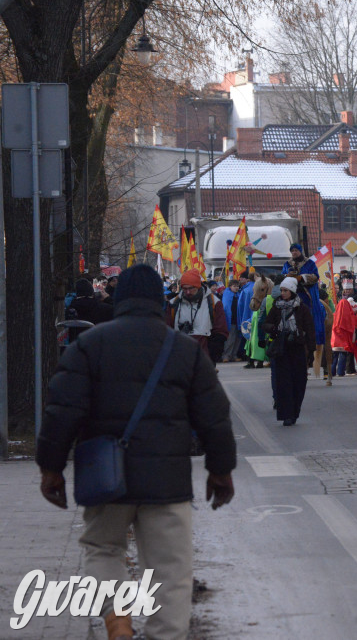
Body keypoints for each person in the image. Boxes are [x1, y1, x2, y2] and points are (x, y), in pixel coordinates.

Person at [37, 264, 235, 640]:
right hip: (167, 483)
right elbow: (214, 415)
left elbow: (61, 412)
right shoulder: (184, 350)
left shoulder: (89, 346)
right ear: (161, 303)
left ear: (119, 300)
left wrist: (50, 469)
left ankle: (118, 622)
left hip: (105, 477)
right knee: (171, 570)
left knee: (102, 547)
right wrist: (220, 470)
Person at [265, 277, 316, 425]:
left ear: (292, 291)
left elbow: (310, 330)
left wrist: (311, 351)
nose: (283, 293)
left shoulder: (302, 308)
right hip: (282, 349)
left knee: (299, 382)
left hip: (298, 349)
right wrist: (274, 330)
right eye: (281, 290)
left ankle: (294, 412)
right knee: (283, 383)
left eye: (285, 290)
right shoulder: (276, 307)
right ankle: (286, 414)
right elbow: (266, 323)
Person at [166, 269, 228, 361]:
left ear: (198, 286)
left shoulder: (214, 303)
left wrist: (213, 353)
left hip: (205, 356)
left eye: (191, 288)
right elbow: (167, 330)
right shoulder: (173, 304)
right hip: (180, 358)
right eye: (184, 288)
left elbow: (221, 330)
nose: (187, 292)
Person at [281, 243, 328, 359]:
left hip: (306, 294)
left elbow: (316, 276)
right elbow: (281, 277)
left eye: (296, 250)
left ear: (300, 251)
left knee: (313, 311)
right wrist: (287, 276)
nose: (294, 253)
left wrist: (302, 277)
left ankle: (314, 337)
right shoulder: (287, 264)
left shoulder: (310, 263)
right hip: (291, 293)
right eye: (292, 251)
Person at [331, 280, 357, 377]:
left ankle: (332, 371)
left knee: (335, 356)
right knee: (343, 355)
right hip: (345, 340)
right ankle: (340, 372)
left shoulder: (336, 316)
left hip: (336, 339)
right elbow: (351, 324)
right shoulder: (349, 315)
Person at [221, 279, 244, 362]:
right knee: (230, 340)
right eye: (234, 286)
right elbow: (226, 308)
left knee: (237, 340)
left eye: (237, 286)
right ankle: (226, 356)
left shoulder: (239, 295)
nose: (236, 288)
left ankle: (234, 355)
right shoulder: (227, 294)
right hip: (230, 320)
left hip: (238, 320)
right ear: (230, 286)